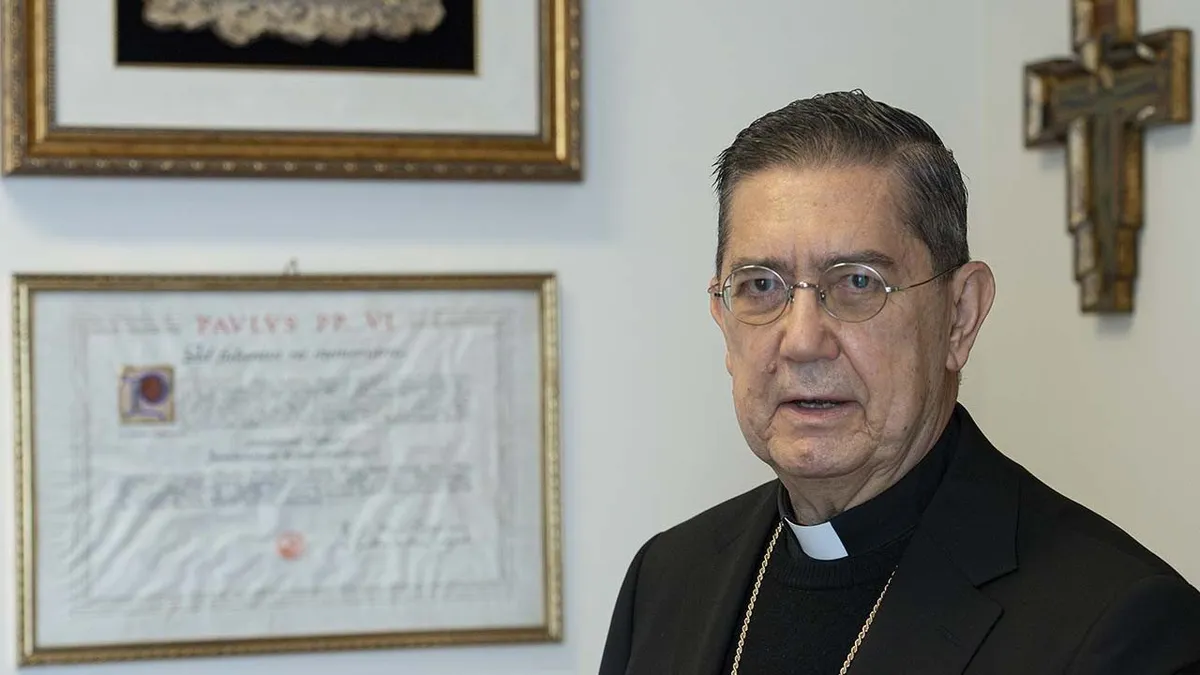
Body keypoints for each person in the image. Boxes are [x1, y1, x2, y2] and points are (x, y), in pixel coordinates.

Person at [598, 90, 1200, 674]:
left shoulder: (1120, 628)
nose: (802, 341)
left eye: (858, 282)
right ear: (722, 318)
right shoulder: (666, 580)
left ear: (960, 315)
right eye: (760, 286)